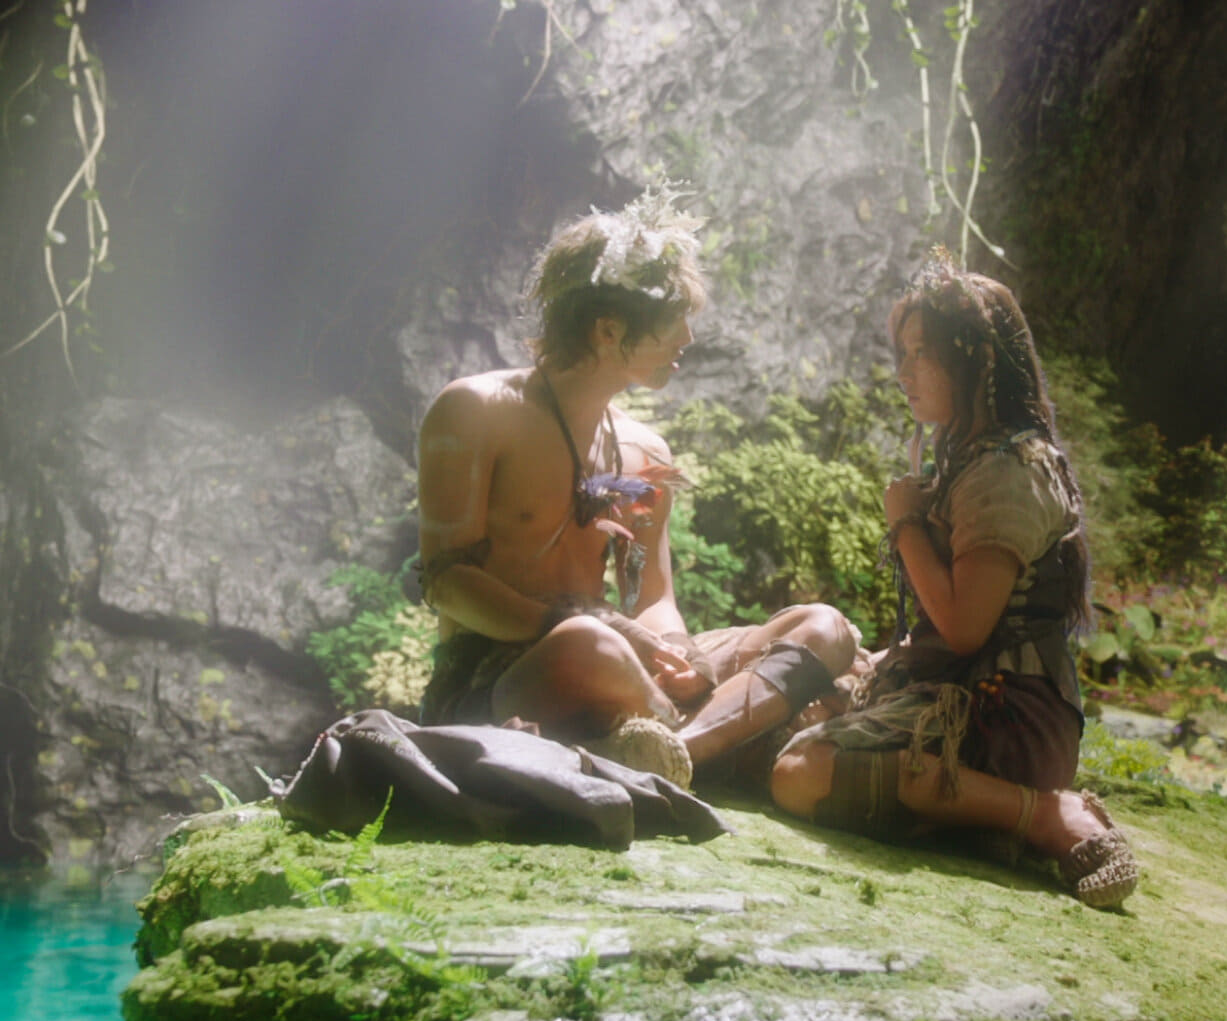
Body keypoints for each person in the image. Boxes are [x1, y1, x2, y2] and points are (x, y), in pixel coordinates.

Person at [414, 186, 859, 789]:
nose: (688, 339)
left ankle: (673, 750)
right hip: (511, 674)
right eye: (675, 322)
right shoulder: (477, 410)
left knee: (823, 628)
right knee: (589, 647)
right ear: (607, 329)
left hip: (623, 662)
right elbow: (446, 582)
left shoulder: (646, 450)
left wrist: (680, 653)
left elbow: (654, 596)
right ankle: (701, 736)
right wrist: (602, 631)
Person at [769, 251, 1140, 909]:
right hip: (963, 690)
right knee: (797, 708)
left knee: (800, 772)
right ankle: (970, 820)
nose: (904, 372)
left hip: (1005, 716)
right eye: (903, 353)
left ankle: (1046, 815)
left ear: (978, 361)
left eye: (923, 354)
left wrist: (905, 525)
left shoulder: (1006, 472)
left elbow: (966, 630)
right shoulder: (974, 456)